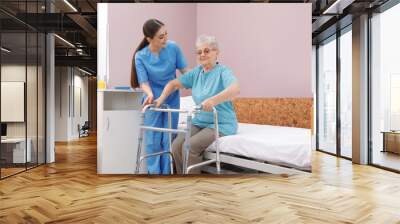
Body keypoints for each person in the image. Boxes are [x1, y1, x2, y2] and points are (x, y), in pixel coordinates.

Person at [154, 35, 240, 174]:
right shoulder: (196, 73)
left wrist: (213, 100)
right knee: (176, 145)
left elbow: (235, 89)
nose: (202, 55)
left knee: (190, 145)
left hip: (221, 123)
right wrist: (160, 99)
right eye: (199, 52)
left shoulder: (223, 72)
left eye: (207, 51)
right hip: (200, 121)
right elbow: (173, 84)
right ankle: (184, 180)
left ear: (216, 52)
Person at [131, 19, 188, 174]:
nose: (165, 39)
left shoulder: (173, 48)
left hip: (171, 98)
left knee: (168, 138)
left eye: (166, 34)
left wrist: (198, 83)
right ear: (149, 39)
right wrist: (149, 95)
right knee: (153, 140)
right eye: (160, 37)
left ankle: (167, 173)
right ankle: (154, 174)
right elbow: (143, 82)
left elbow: (186, 73)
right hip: (153, 99)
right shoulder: (140, 56)